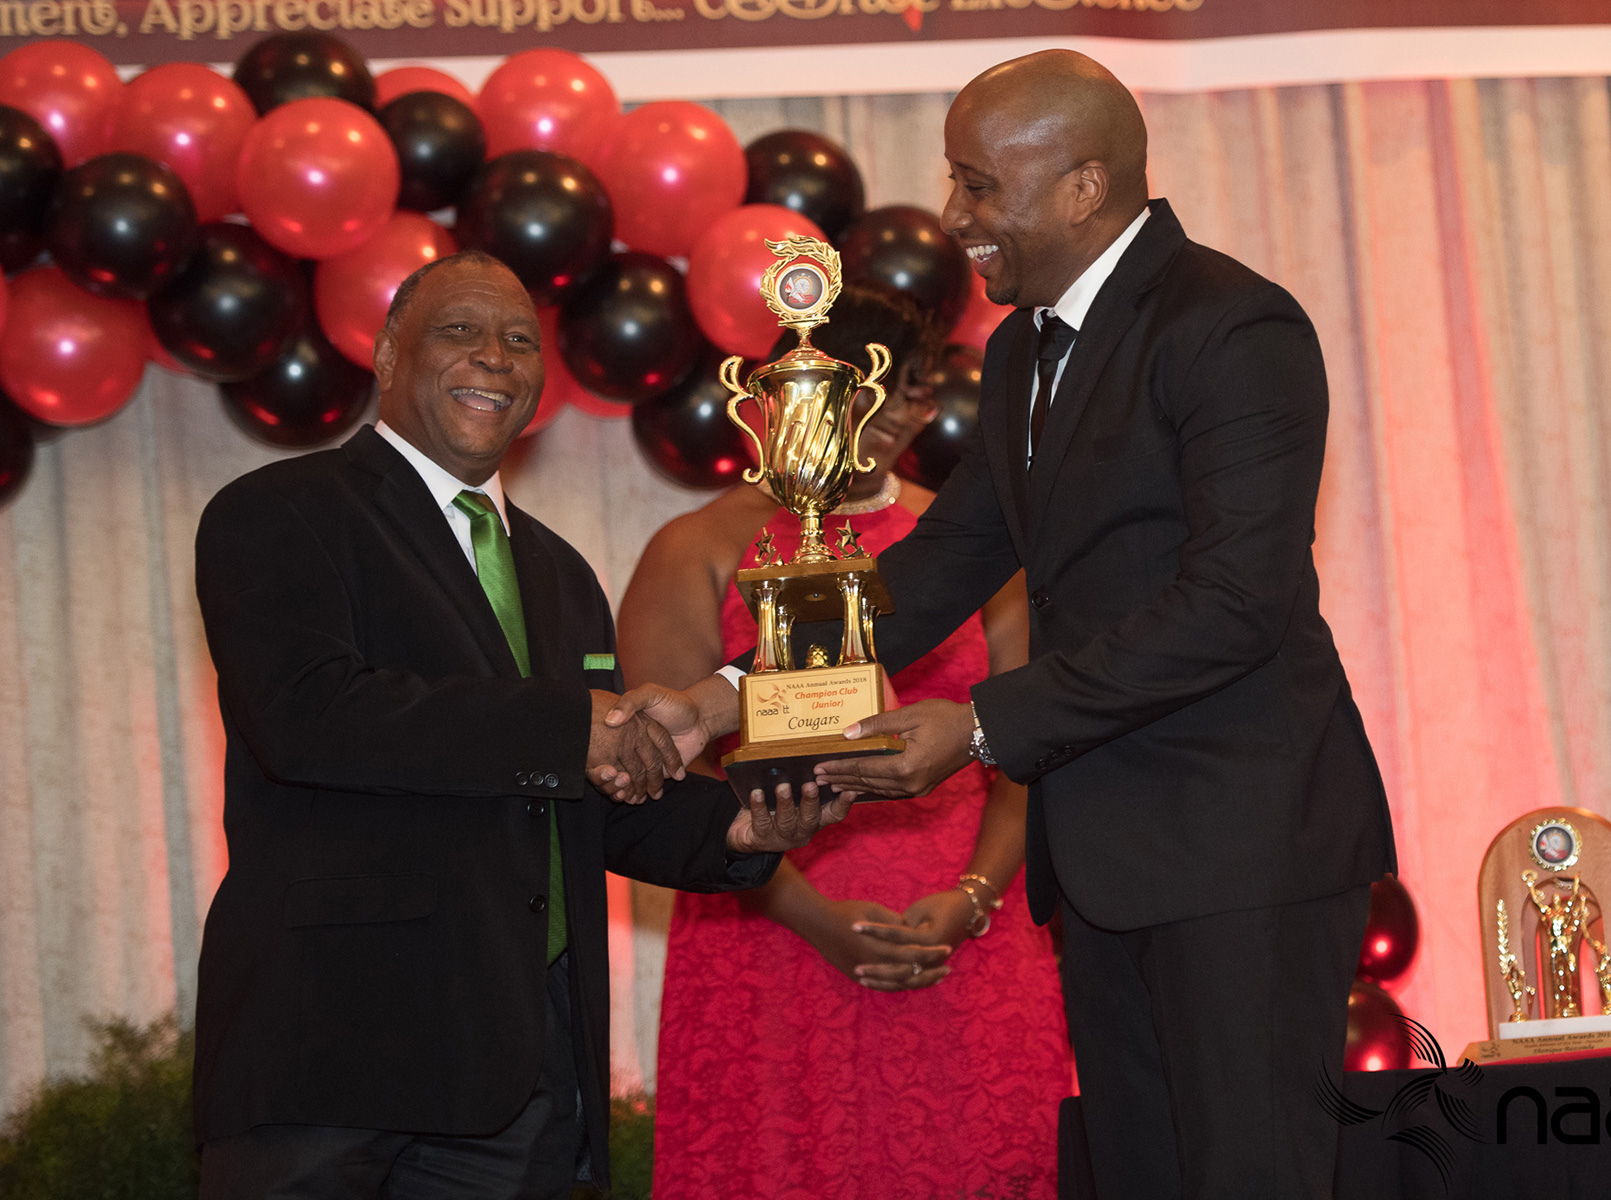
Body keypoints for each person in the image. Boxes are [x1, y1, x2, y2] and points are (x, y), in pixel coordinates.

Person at [614, 51, 1394, 1200]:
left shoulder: (1232, 327)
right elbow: (942, 564)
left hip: (1241, 852)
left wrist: (980, 726)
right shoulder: (1028, 346)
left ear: (1083, 187)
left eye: (979, 184)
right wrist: (724, 699)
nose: (953, 215)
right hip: (1103, 862)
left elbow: (1237, 602)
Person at [189, 250, 847, 1200]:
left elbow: (590, 791)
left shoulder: (560, 572)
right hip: (330, 1057)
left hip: (521, 1078)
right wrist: (568, 726)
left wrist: (737, 830)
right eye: (459, 331)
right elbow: (308, 717)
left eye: (519, 341)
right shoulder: (282, 511)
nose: (494, 357)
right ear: (387, 354)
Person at [618, 287, 1071, 1199]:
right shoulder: (698, 545)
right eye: (871, 386)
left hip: (962, 929)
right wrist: (810, 914)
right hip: (765, 926)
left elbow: (1029, 738)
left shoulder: (973, 547)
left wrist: (975, 897)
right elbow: (670, 774)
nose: (898, 410)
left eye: (914, 387)